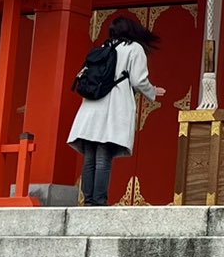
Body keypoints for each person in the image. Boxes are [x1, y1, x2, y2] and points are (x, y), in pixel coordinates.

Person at [69, 14, 163, 206]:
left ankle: (88, 200)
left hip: (91, 107)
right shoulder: (134, 49)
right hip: (113, 106)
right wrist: (152, 91)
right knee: (104, 155)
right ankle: (100, 201)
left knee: (90, 157)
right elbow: (138, 80)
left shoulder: (103, 48)